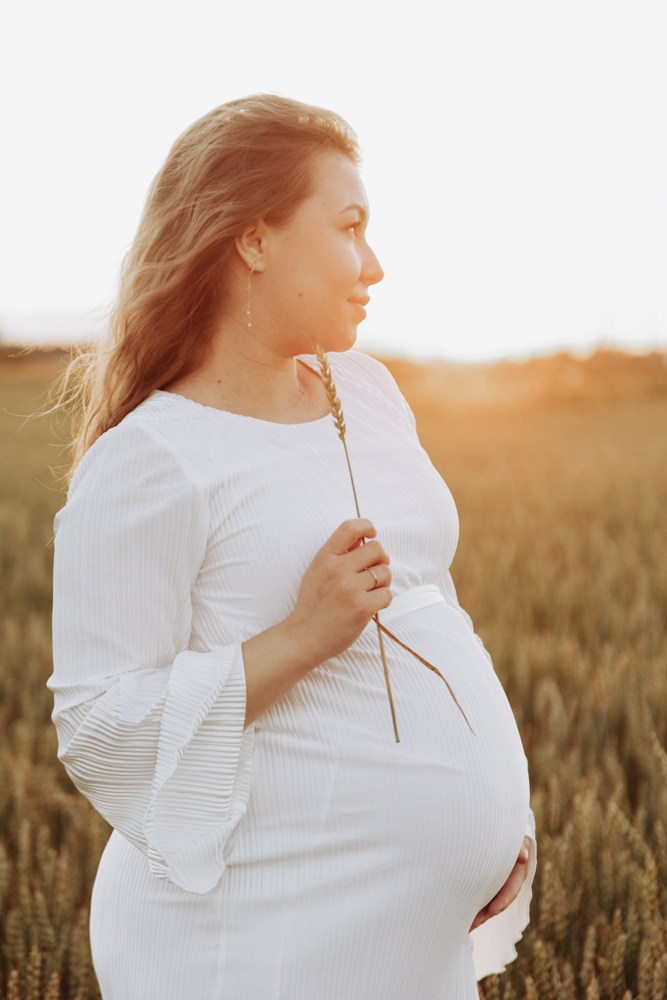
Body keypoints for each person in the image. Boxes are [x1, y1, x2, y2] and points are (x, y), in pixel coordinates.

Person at [48, 94, 536, 1000]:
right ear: (253, 240)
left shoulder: (368, 390)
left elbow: (428, 598)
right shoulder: (150, 460)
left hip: (405, 943)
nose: (375, 265)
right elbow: (99, 729)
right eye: (349, 226)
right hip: (262, 940)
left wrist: (497, 822)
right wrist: (302, 635)